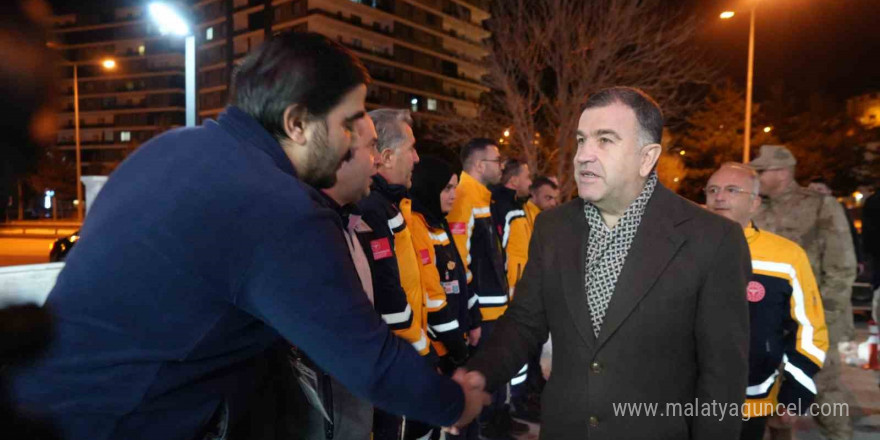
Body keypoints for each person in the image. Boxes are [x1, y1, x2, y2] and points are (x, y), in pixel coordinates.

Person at [9, 32, 487, 440]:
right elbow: (369, 361)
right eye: (347, 122)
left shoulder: (174, 146)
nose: (354, 140)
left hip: (41, 406)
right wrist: (456, 403)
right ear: (297, 123)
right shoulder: (277, 207)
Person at [465, 86, 751, 439]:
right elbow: (525, 321)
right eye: (582, 140)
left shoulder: (712, 240)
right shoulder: (553, 227)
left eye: (605, 140)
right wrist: (481, 373)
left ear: (647, 158)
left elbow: (723, 376)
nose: (584, 155)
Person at [705, 163, 828, 440]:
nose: (719, 197)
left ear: (755, 203)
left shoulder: (786, 257)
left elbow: (810, 331)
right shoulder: (680, 248)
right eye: (712, 189)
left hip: (753, 401)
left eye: (731, 190)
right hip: (682, 399)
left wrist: (795, 394)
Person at [750, 145, 857, 440]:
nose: (755, 176)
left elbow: (842, 268)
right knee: (772, 401)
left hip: (813, 322)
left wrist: (820, 320)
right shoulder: (756, 207)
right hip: (771, 321)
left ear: (783, 173)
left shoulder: (821, 206)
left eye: (762, 171)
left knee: (824, 393)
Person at [284, 114, 380, 440]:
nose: (378, 159)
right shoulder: (304, 229)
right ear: (339, 159)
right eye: (372, 147)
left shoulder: (348, 220)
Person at [448, 139, 525, 438]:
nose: (502, 166)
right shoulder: (465, 195)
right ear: (480, 165)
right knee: (481, 383)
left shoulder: (481, 196)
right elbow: (458, 261)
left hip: (494, 308)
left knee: (493, 380)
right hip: (483, 311)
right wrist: (473, 315)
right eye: (497, 160)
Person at [410, 156, 482, 440]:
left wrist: (473, 321)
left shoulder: (439, 224)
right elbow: (433, 297)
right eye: (447, 188)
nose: (453, 195)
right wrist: (456, 349)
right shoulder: (418, 225)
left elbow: (462, 278)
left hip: (454, 342)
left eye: (454, 187)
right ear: (430, 187)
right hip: (438, 350)